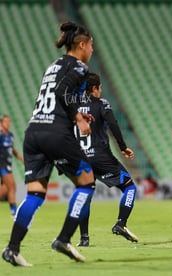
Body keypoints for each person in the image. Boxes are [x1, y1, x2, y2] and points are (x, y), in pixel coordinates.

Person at [2, 21, 96, 267]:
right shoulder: (79, 66)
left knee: (35, 193)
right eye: (92, 46)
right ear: (82, 44)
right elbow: (63, 90)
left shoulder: (53, 65)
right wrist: (77, 117)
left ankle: (12, 249)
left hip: (33, 131)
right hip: (55, 131)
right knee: (86, 181)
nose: (92, 51)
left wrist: (77, 112)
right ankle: (64, 239)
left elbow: (55, 93)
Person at [75, 72, 138, 246]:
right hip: (100, 157)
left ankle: (84, 239)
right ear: (94, 88)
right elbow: (113, 124)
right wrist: (123, 147)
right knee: (129, 186)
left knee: (85, 194)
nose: (101, 91)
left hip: (80, 157)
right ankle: (121, 223)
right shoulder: (102, 104)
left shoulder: (73, 108)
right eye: (100, 87)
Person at [0, 115, 24, 217]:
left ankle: (14, 211)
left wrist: (20, 158)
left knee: (7, 187)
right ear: (1, 123)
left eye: (9, 121)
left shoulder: (10, 135)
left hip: (8, 164)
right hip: (2, 164)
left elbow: (12, 149)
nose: (8, 123)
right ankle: (14, 211)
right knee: (12, 186)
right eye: (6, 121)